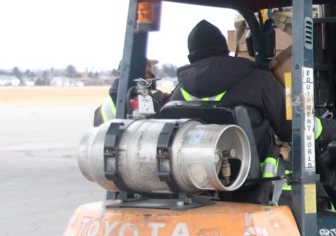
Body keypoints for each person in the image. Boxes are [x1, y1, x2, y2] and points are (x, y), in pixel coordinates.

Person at [167, 20, 293, 174]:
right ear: (225, 49)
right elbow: (289, 129)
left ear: (191, 56)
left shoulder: (179, 92)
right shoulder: (258, 79)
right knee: (316, 194)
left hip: (195, 182)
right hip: (259, 182)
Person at [93, 59, 160, 126]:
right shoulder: (153, 98)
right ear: (136, 73)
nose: (152, 74)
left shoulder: (101, 109)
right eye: (148, 71)